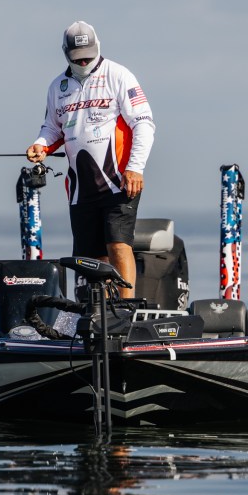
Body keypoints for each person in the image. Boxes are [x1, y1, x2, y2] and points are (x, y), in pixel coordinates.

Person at [26, 21, 155, 299]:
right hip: (81, 187)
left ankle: (126, 309)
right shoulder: (57, 87)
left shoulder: (119, 75)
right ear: (66, 54)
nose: (83, 62)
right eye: (78, 58)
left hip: (119, 181)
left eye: (88, 56)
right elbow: (52, 128)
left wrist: (135, 167)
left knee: (118, 245)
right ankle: (101, 312)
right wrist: (40, 144)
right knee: (91, 257)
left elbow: (144, 123)